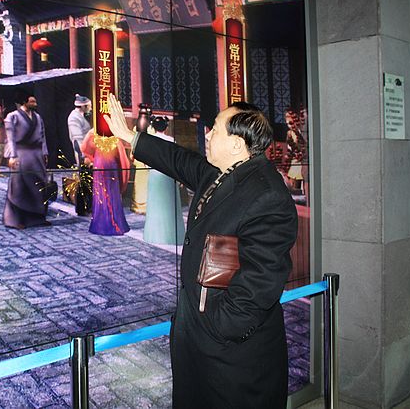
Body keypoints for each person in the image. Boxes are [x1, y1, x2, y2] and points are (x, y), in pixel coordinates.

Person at [105, 95, 298, 408]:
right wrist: (131, 137)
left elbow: (261, 281)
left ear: (236, 144)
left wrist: (218, 328)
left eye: (216, 129)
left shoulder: (266, 195)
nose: (207, 135)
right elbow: (180, 160)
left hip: (232, 356)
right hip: (198, 340)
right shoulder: (221, 173)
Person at [3, 95, 49, 229]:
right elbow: (10, 138)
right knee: (19, 187)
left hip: (36, 154)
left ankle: (38, 218)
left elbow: (42, 136)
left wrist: (44, 152)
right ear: (24, 101)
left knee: (39, 185)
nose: (35, 104)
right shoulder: (13, 116)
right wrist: (12, 155)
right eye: (32, 101)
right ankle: (17, 220)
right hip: (21, 154)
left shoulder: (38, 117)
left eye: (35, 101)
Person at [143, 116, 185, 245]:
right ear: (166, 127)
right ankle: (171, 235)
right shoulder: (171, 140)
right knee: (170, 206)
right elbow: (176, 161)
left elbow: (145, 161)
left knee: (155, 205)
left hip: (154, 175)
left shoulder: (149, 141)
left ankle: (155, 235)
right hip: (168, 175)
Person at [80, 129, 130, 236]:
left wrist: (92, 158)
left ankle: (100, 223)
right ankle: (115, 222)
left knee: (101, 193)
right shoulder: (115, 136)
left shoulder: (95, 134)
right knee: (112, 193)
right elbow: (123, 159)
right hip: (111, 164)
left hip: (99, 162)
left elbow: (84, 147)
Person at [67, 94, 92, 165]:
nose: (90, 108)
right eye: (89, 106)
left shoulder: (80, 116)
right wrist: (84, 156)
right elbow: (77, 139)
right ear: (83, 106)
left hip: (87, 149)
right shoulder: (74, 117)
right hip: (82, 152)